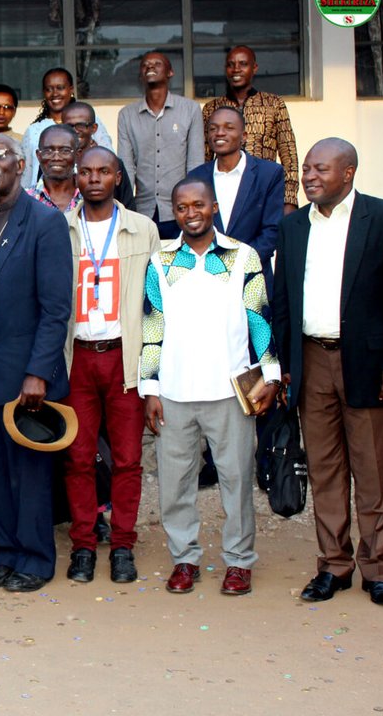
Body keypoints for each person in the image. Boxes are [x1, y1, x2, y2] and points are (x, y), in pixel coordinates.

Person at [274, 138, 383, 607]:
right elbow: (282, 301)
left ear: (348, 172)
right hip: (311, 362)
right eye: (306, 170)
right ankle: (333, 566)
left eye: (320, 169)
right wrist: (285, 366)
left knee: (374, 468)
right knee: (325, 468)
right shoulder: (294, 226)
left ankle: (378, 570)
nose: (309, 177)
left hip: (371, 364)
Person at [139, 178, 280, 596]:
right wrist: (150, 386)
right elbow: (152, 324)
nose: (191, 213)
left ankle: (238, 562)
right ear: (175, 211)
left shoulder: (243, 256)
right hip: (175, 394)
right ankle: (185, 559)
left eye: (198, 205)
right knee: (175, 484)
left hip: (230, 391)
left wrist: (270, 374)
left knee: (236, 480)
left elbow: (258, 317)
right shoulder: (160, 260)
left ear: (213, 207)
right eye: (182, 207)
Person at [0, 134, 72, 593]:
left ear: (21, 166)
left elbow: (56, 309)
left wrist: (37, 372)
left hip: (26, 375)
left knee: (28, 473)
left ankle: (35, 559)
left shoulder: (46, 222)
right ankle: (3, 554)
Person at [61, 146, 160, 585]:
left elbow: (156, 307)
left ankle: (122, 545)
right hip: (77, 358)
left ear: (118, 177)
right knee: (78, 458)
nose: (95, 178)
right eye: (87, 172)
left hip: (125, 357)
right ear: (76, 178)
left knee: (128, 459)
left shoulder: (143, 230)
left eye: (104, 171)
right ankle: (83, 545)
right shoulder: (59, 228)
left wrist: (152, 373)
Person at [186, 105, 284, 283]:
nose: (219, 133)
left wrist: (236, 264)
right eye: (213, 128)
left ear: (244, 136)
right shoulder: (196, 177)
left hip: (253, 280)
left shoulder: (269, 173)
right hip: (208, 280)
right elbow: (191, 229)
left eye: (228, 127)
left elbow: (272, 231)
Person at [202, 45, 299, 214]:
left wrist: (289, 201)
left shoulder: (273, 104)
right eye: (231, 64)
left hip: (265, 190)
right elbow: (205, 158)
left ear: (254, 68)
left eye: (243, 64)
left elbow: (289, 155)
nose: (236, 69)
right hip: (224, 191)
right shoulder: (212, 108)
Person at [117, 52, 204, 233]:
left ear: (170, 72)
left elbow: (195, 163)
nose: (150, 66)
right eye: (145, 64)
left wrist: (193, 206)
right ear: (140, 75)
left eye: (157, 63)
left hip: (180, 211)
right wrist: (124, 211)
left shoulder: (190, 110)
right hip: (142, 211)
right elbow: (126, 168)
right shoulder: (127, 115)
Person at [20, 68, 112, 190]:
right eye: (49, 89)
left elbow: (109, 158)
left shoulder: (88, 121)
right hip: (43, 197)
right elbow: (27, 175)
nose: (54, 93)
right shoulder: (34, 130)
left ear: (71, 89)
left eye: (60, 88)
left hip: (87, 192)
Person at [62, 101, 135, 210]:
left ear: (94, 128)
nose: (75, 131)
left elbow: (127, 206)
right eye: (69, 126)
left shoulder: (112, 163)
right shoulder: (55, 165)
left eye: (81, 125)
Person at [29, 124, 81, 213]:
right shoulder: (25, 200)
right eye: (48, 151)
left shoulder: (89, 197)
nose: (56, 158)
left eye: (65, 151)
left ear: (77, 155)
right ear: (38, 155)